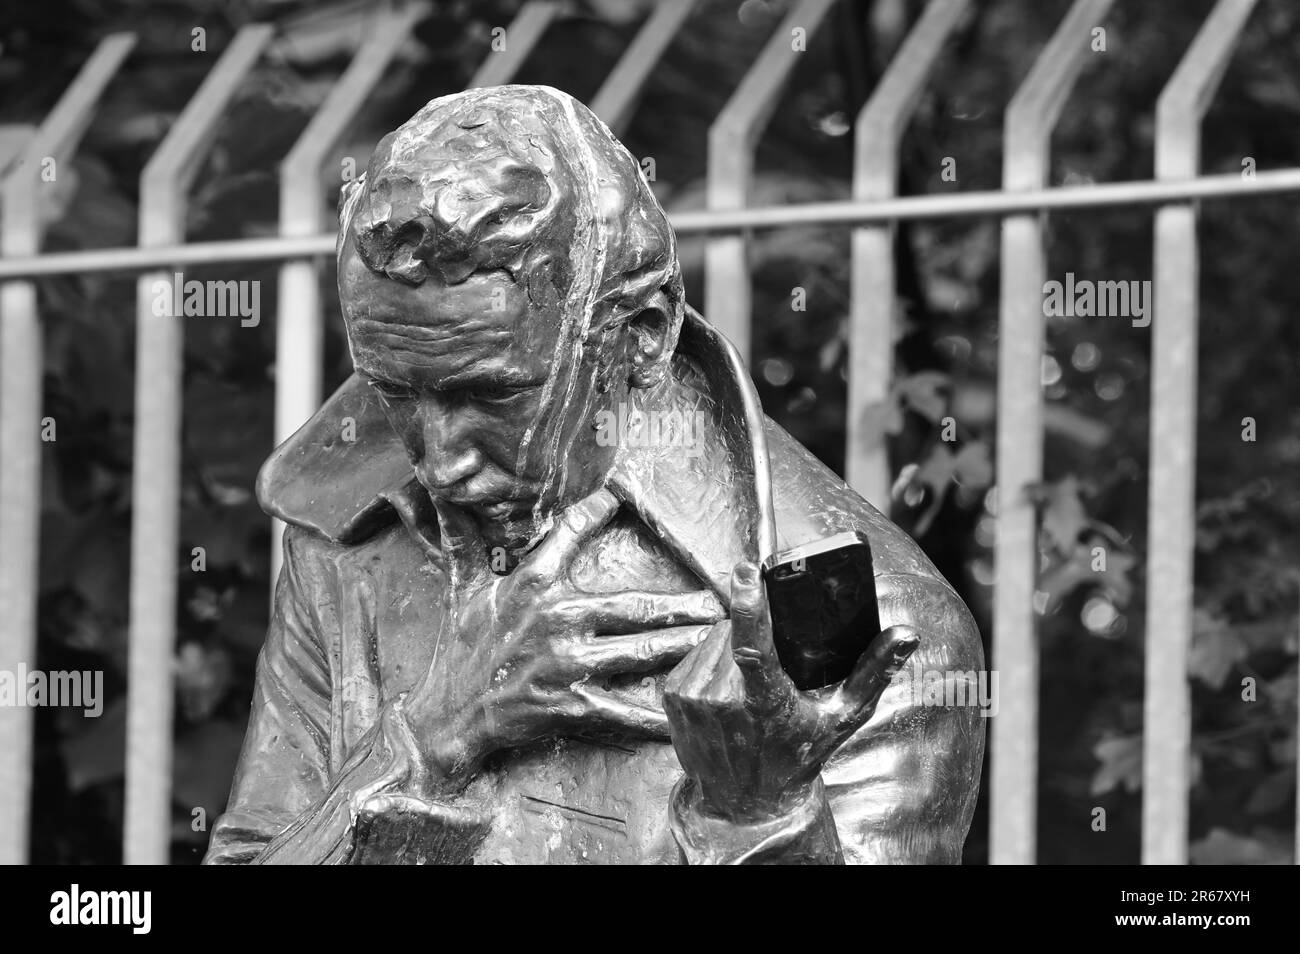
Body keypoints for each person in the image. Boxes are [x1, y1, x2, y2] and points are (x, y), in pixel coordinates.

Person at [204, 85, 984, 865]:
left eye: (493, 393)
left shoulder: (863, 626)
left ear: (641, 336)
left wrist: (762, 819)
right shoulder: (345, 549)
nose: (440, 460)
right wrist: (436, 734)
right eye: (393, 392)